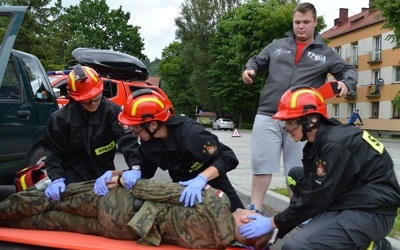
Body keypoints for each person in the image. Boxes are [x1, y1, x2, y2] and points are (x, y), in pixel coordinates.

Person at [239, 86, 400, 249]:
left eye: (289, 121)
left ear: (310, 120)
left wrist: (273, 223)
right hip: (352, 199)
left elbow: (316, 197)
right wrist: (275, 233)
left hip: (373, 214)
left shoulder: (334, 145)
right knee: (296, 175)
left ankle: (372, 246)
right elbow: (310, 191)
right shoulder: (318, 141)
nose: (286, 128)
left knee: (295, 247)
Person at [241, 2, 358, 214]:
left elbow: (348, 70)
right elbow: (256, 61)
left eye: (305, 22)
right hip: (269, 114)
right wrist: (249, 70)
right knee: (261, 166)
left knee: (298, 170)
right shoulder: (277, 46)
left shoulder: (326, 53)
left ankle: (298, 212)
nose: (300, 26)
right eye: (297, 22)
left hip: (303, 121)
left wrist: (346, 84)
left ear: (315, 22)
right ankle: (255, 209)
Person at [0, 173, 274, 249]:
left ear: (247, 219)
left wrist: (121, 180)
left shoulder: (216, 201)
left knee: (55, 198)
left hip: (118, 203)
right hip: (124, 232)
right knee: (51, 221)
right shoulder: (212, 245)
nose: (247, 209)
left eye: (251, 213)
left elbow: (157, 191)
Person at [100, 88, 244, 212]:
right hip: (187, 197)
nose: (133, 133)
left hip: (218, 191)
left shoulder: (191, 134)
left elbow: (228, 157)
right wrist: (114, 175)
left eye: (135, 128)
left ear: (152, 125)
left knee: (242, 231)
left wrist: (202, 178)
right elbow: (145, 171)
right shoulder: (150, 143)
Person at [43, 64, 141, 201]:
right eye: (87, 102)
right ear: (75, 98)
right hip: (72, 174)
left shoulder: (112, 112)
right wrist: (56, 179)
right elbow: (54, 153)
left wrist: (135, 167)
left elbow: (127, 140)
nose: (94, 104)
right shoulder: (60, 119)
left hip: (103, 174)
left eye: (97, 98)